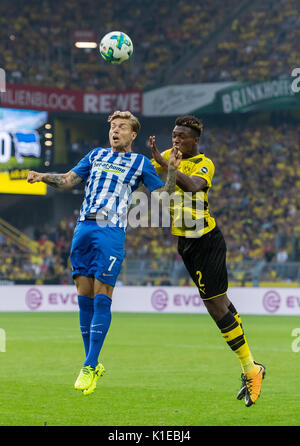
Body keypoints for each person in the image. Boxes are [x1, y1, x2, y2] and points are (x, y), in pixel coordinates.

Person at [27, 110, 182, 395]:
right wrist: (42, 176)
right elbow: (67, 180)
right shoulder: (96, 155)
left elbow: (164, 197)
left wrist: (171, 170)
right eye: (113, 126)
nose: (115, 131)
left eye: (122, 127)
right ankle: (91, 363)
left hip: (110, 230)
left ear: (133, 135)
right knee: (84, 298)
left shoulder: (139, 162)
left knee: (101, 296)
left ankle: (89, 365)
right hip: (83, 228)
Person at [150, 115, 265, 407]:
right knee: (220, 301)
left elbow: (192, 187)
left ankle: (251, 369)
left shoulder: (204, 162)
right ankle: (251, 368)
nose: (175, 140)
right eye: (173, 135)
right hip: (185, 240)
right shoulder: (165, 157)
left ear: (195, 140)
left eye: (181, 137)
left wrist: (167, 165)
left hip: (205, 239)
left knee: (215, 306)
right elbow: (156, 184)